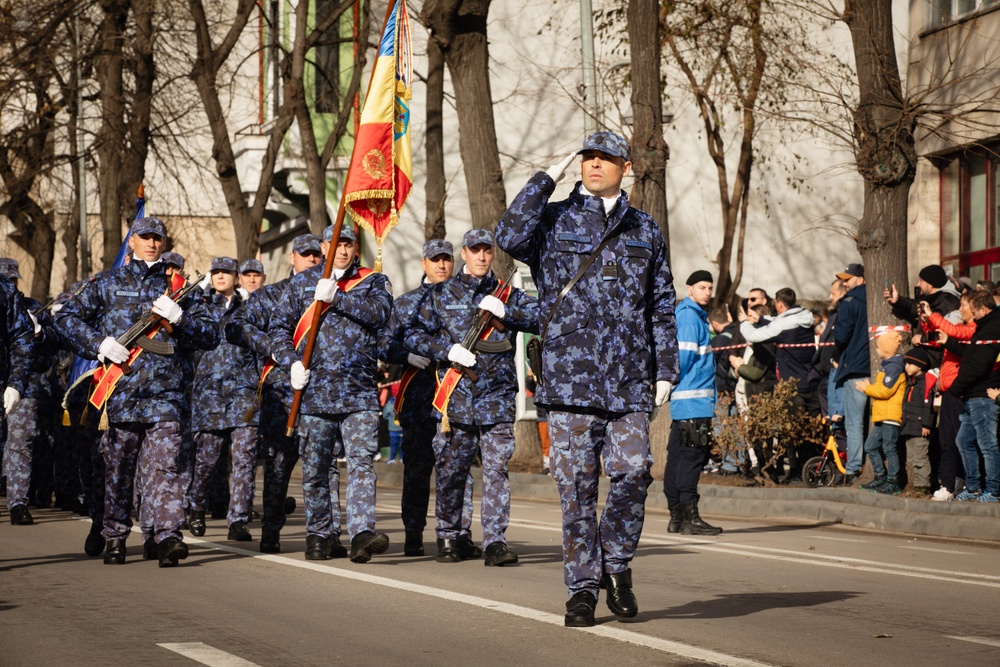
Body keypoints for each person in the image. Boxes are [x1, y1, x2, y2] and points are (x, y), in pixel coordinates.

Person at [496, 130, 678, 628]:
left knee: (634, 473)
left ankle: (616, 565)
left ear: (626, 167)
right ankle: (581, 587)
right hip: (570, 381)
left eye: (605, 159)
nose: (594, 165)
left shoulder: (645, 228)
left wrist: (666, 369)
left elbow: (661, 304)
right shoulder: (553, 219)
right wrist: (543, 178)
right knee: (575, 486)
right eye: (587, 158)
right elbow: (507, 237)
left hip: (628, 381)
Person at [54, 217, 220, 566]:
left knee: (166, 469)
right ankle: (114, 534)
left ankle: (166, 537)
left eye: (157, 238)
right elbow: (66, 317)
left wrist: (182, 319)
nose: (151, 243)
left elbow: (210, 335)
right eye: (144, 237)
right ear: (132, 241)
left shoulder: (178, 286)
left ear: (163, 242)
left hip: (166, 395)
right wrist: (99, 344)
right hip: (121, 394)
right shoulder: (108, 282)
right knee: (116, 470)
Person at [405, 229, 538, 565]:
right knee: (452, 470)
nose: (481, 256)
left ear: (493, 254)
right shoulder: (439, 293)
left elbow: (541, 315)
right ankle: (450, 536)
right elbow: (412, 334)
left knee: (495, 470)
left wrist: (508, 313)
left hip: (497, 398)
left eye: (486, 251)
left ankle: (495, 540)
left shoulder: (505, 293)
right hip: (456, 397)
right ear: (463, 254)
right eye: (474, 250)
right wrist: (445, 349)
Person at [270, 225, 393, 562]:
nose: (342, 249)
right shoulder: (300, 283)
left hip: (359, 393)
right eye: (335, 243)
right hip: (314, 394)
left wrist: (338, 297)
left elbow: (381, 315)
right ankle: (320, 534)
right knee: (316, 469)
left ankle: (361, 533)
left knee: (361, 463)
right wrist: (291, 363)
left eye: (348, 244)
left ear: (356, 248)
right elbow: (278, 329)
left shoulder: (372, 281)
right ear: (323, 247)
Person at [379, 239, 480, 558]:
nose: (441, 265)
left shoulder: (468, 300)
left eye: (446, 259)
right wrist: (406, 355)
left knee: (459, 469)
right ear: (423, 263)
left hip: (457, 398)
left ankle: (458, 534)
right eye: (434, 259)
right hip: (420, 399)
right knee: (418, 470)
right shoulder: (406, 303)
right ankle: (412, 533)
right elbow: (383, 343)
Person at [226, 234, 323, 553]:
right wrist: (279, 353)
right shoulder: (271, 295)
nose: (312, 259)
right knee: (278, 465)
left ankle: (324, 534)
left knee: (322, 467)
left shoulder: (333, 294)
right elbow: (235, 325)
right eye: (305, 254)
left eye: (316, 254)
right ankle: (271, 531)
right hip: (282, 395)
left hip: (324, 394)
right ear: (292, 258)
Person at [186, 257, 259, 542]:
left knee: (245, 459)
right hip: (210, 395)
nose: (219, 276)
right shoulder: (199, 307)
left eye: (226, 272)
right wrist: (196, 291)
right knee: (207, 459)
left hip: (244, 395)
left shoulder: (250, 308)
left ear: (236, 277)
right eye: (215, 272)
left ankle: (238, 520)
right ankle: (195, 506)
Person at [739, 287, 820, 482]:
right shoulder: (804, 316)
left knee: (794, 432)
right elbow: (779, 323)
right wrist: (761, 320)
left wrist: (744, 323)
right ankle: (806, 470)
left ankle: (799, 472)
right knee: (807, 431)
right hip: (809, 380)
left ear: (780, 304)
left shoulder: (784, 326)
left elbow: (754, 336)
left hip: (792, 386)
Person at [664, 271, 722, 534]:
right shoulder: (689, 316)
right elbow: (683, 359)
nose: (707, 292)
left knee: (677, 458)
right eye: (702, 287)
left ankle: (676, 517)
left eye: (710, 287)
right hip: (694, 405)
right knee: (691, 459)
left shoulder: (692, 315)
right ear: (689, 290)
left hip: (685, 405)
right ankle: (690, 518)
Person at [940, 290, 1000, 502]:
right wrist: (949, 343)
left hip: (983, 396)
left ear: (984, 309)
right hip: (972, 395)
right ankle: (973, 487)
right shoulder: (984, 328)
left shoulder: (992, 328)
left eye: (973, 310)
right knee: (964, 440)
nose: (970, 314)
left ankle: (993, 490)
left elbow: (978, 366)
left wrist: (956, 388)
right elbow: (971, 355)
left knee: (987, 445)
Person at [921, 294, 974, 500]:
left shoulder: (972, 329)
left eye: (963, 305)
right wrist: (927, 323)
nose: (960, 309)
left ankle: (952, 485)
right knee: (947, 439)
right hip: (948, 390)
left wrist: (932, 315)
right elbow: (940, 337)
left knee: (955, 440)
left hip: (959, 390)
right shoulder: (962, 326)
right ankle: (951, 483)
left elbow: (952, 331)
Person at [0, 261, 35, 523]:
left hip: (11, 388)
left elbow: (22, 340)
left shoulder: (5, 293)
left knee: (19, 445)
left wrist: (15, 383)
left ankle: (18, 502)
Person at [831, 263, 869, 485]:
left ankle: (853, 468)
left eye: (849, 279)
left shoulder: (849, 302)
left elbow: (841, 336)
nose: (845, 282)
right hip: (875, 367)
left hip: (854, 367)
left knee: (854, 422)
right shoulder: (874, 299)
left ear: (860, 279)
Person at [855, 331, 905, 494]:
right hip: (882, 416)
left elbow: (885, 391)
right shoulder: (888, 367)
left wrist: (866, 388)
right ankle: (880, 476)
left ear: (887, 350)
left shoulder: (895, 368)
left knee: (889, 448)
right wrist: (868, 387)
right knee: (870, 446)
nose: (876, 351)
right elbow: (880, 388)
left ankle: (894, 481)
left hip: (890, 416)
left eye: (878, 347)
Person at [900, 347, 934, 496]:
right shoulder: (911, 382)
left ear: (920, 366)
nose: (906, 366)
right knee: (912, 458)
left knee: (920, 458)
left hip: (920, 427)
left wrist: (926, 424)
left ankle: (923, 485)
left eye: (910, 364)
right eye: (905, 363)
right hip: (909, 426)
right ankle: (918, 484)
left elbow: (928, 405)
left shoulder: (924, 383)